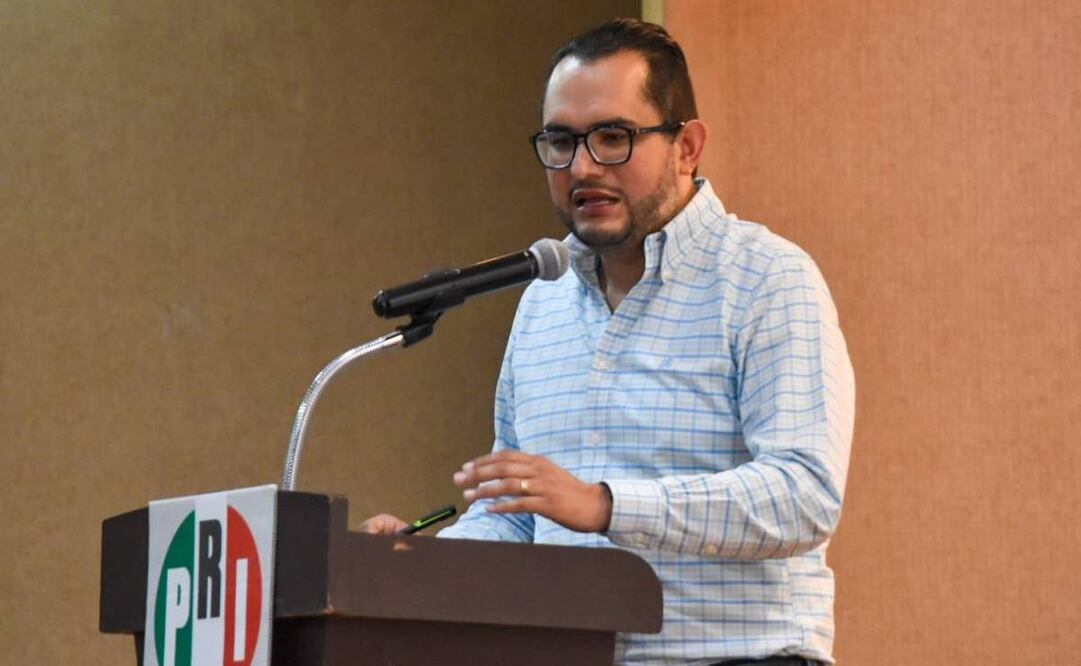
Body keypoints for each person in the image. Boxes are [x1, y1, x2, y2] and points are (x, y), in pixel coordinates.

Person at [362, 18, 855, 666]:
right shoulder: (542, 301)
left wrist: (604, 505)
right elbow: (519, 515)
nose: (583, 167)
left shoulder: (765, 279)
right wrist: (427, 564)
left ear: (687, 146)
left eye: (613, 137)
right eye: (561, 142)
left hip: (740, 654)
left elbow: (802, 496)